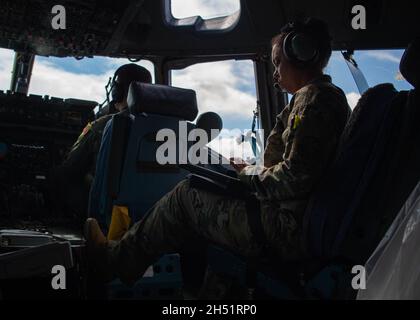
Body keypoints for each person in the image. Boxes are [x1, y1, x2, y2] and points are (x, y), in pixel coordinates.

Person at [84, 18, 352, 285]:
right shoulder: (323, 98)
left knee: (185, 195)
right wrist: (247, 175)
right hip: (294, 224)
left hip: (285, 231)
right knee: (215, 239)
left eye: (278, 62)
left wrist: (248, 174)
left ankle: (113, 261)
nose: (275, 73)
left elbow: (296, 178)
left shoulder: (314, 98)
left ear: (301, 53)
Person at [51, 64, 152, 219]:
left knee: (58, 177)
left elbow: (70, 169)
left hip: (109, 218)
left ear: (116, 92)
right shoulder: (173, 128)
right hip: (151, 217)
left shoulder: (103, 126)